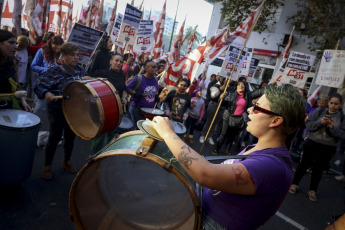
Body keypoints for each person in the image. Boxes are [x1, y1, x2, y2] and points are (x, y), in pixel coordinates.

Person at [147, 84, 306, 229]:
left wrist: (168, 133)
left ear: (276, 121)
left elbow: (205, 174)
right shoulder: (259, 149)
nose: (249, 110)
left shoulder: (273, 167)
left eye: (257, 107)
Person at [34, 42, 89, 180]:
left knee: (70, 137)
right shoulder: (54, 70)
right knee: (55, 136)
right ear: (63, 55)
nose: (76, 58)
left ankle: (66, 161)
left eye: (77, 55)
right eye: (73, 55)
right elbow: (39, 86)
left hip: (74, 109)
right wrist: (46, 93)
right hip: (57, 109)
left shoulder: (81, 71)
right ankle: (47, 165)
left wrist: (89, 82)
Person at [289, 93, 345, 201]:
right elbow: (308, 125)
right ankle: (294, 183)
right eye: (331, 103)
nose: (333, 106)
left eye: (336, 104)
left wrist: (332, 127)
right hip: (312, 143)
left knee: (318, 169)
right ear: (328, 103)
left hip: (328, 147)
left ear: (340, 105)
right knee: (304, 164)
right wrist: (320, 122)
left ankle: (313, 189)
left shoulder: (342, 118)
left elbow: (342, 135)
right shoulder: (318, 112)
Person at [90, 53, 127, 153]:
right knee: (101, 132)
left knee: (112, 132)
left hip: (117, 108)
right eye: (116, 60)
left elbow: (123, 88)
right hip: (104, 108)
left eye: (121, 62)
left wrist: (124, 98)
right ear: (110, 62)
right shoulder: (102, 73)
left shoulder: (122, 75)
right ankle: (95, 155)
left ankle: (107, 153)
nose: (119, 63)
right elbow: (88, 81)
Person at [212, 81, 252, 155]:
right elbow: (224, 103)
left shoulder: (247, 96)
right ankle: (216, 149)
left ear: (245, 87)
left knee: (232, 136)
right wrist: (221, 99)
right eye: (239, 84)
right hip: (228, 117)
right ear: (236, 87)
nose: (241, 86)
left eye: (242, 85)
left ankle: (227, 150)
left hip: (238, 119)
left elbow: (249, 106)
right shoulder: (230, 94)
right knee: (223, 134)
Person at [31, 35, 64, 118]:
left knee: (54, 109)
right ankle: (32, 124)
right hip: (43, 82)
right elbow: (33, 66)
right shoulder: (42, 51)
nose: (57, 50)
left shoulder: (63, 53)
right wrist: (47, 70)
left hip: (57, 84)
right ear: (50, 45)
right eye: (55, 48)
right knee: (39, 107)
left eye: (59, 48)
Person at [0, 30, 31, 111]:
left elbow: (17, 87)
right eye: (11, 43)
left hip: (11, 108)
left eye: (15, 43)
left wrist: (23, 101)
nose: (16, 46)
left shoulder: (13, 63)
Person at [126, 60, 159, 127]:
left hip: (149, 111)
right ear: (146, 68)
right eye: (153, 67)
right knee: (137, 129)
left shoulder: (155, 78)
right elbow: (126, 87)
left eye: (156, 67)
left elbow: (155, 89)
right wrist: (135, 93)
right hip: (137, 109)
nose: (156, 69)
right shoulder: (139, 78)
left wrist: (156, 96)